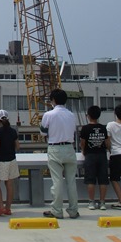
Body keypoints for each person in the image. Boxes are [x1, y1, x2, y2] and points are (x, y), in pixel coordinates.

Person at [40, 88, 79, 219]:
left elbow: (43, 132)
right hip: (69, 148)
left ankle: (57, 210)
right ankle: (73, 210)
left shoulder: (49, 115)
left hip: (55, 148)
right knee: (71, 181)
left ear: (53, 100)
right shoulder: (71, 115)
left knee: (57, 181)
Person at [79, 105, 110, 210]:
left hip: (90, 155)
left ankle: (91, 202)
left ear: (88, 116)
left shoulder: (85, 128)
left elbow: (83, 143)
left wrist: (83, 151)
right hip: (102, 155)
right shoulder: (103, 128)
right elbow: (107, 142)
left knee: (90, 180)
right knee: (103, 180)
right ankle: (102, 202)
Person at [0, 109, 20, 216]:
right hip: (12, 160)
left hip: (1, 161)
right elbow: (18, 146)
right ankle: (8, 208)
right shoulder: (13, 131)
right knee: (9, 184)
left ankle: (0, 207)